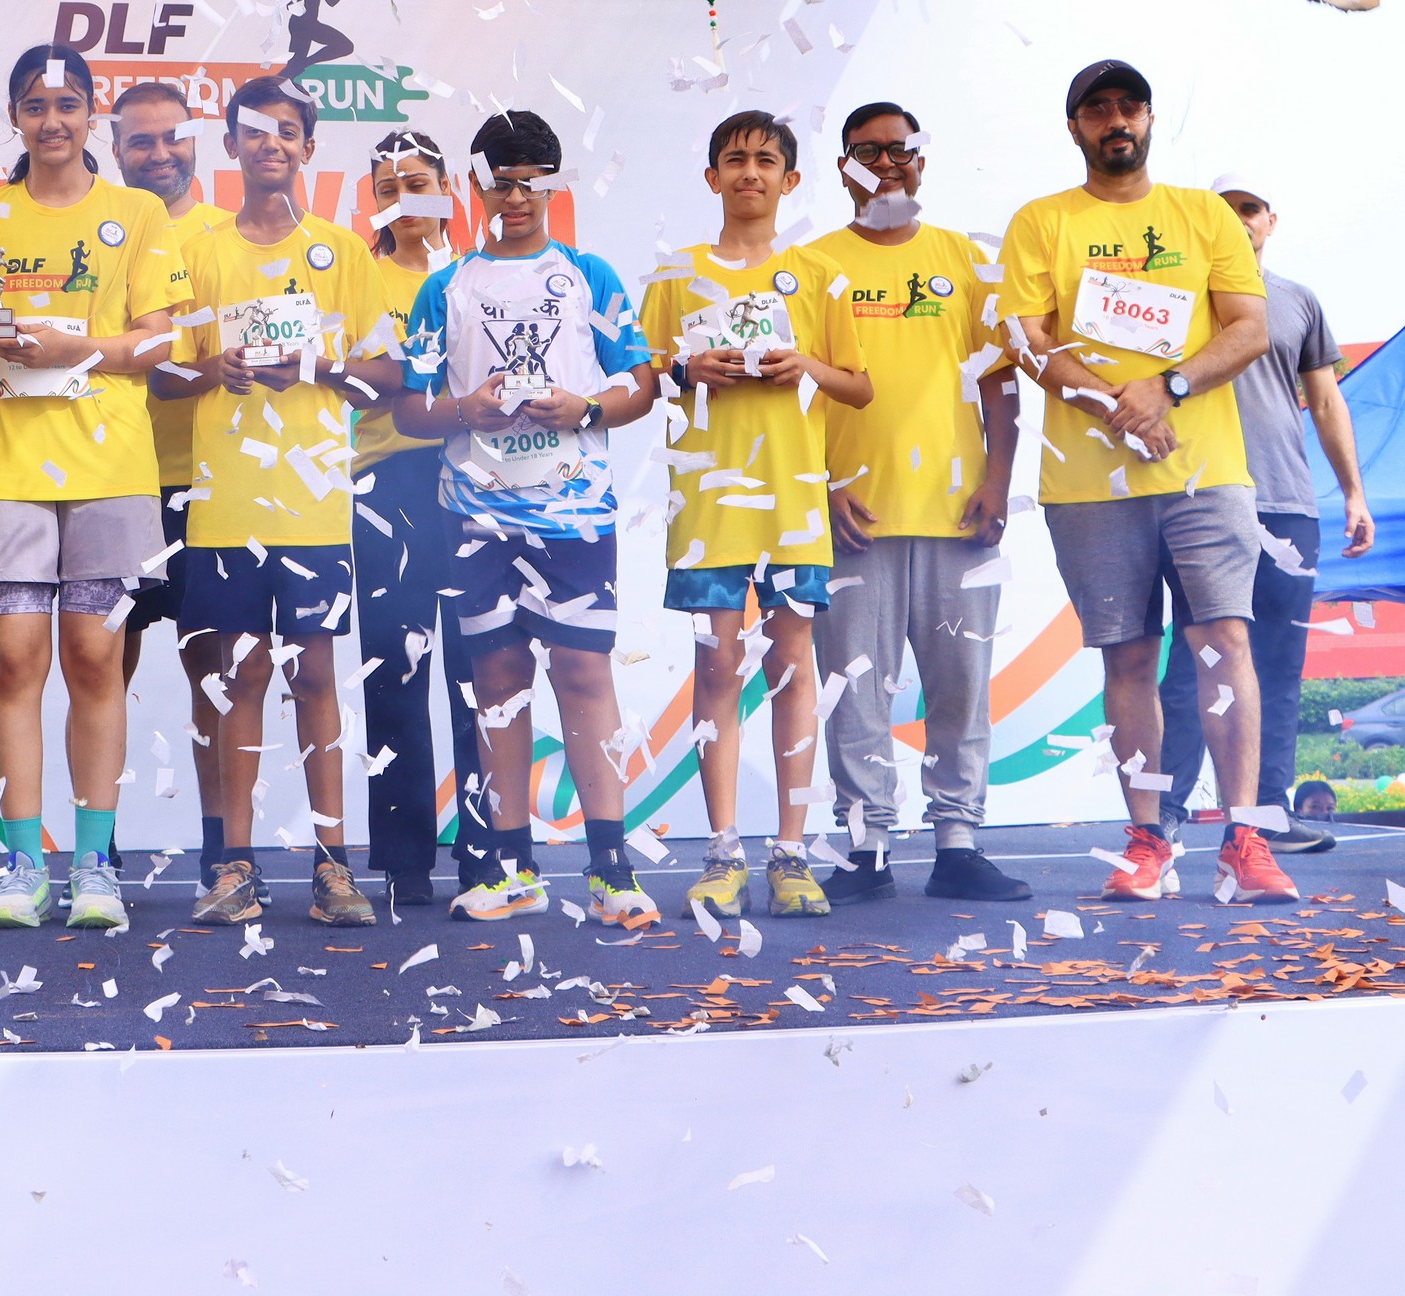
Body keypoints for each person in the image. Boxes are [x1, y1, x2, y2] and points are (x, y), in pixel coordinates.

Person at [1000, 59, 1302, 905]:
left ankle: (1244, 838)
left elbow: (1248, 328)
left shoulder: (1203, 214)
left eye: (1130, 105)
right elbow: (1026, 339)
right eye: (1098, 109)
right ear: (1075, 128)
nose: (1116, 120)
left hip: (1206, 472)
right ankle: (1147, 842)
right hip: (1091, 482)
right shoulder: (1042, 221)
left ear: (1150, 118)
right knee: (1129, 657)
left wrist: (1165, 388)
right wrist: (1117, 407)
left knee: (1225, 643)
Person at [0, 43, 189, 932]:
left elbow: (160, 342)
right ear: (14, 117)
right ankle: (21, 866)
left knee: (94, 658)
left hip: (111, 472)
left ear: (92, 116)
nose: (52, 120)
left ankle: (93, 866)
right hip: (8, 470)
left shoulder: (137, 212)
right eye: (35, 105)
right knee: (15, 661)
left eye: (68, 104)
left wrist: (72, 348)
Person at [394, 110, 663, 926]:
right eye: (499, 184)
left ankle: (611, 869)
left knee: (583, 674)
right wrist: (464, 409)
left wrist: (586, 407)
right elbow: (409, 409)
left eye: (528, 185)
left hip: (573, 512)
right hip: (477, 516)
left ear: (552, 186)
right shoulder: (445, 288)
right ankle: (512, 868)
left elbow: (641, 384)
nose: (513, 199)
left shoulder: (589, 277)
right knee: (499, 684)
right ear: (474, 188)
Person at [157, 75, 396, 926]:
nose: (271, 143)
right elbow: (163, 370)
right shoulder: (198, 251)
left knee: (316, 672)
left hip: (313, 504)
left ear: (308, 147)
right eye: (255, 131)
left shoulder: (343, 251)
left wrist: (317, 367)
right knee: (241, 675)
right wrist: (210, 369)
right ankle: (235, 866)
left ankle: (334, 868)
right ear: (230, 146)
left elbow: (386, 375)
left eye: (287, 130)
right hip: (224, 502)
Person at [638, 110, 872, 919]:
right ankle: (722, 852)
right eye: (734, 160)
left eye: (766, 161)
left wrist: (804, 364)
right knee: (717, 669)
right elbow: (642, 377)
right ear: (711, 177)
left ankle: (792, 852)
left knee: (792, 668)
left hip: (793, 503)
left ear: (790, 179)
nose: (750, 173)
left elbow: (858, 385)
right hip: (707, 502)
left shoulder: (819, 273)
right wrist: (684, 368)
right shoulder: (677, 273)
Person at [807, 102, 1031, 905]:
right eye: (867, 152)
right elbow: (790, 395)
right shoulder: (810, 265)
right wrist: (822, 486)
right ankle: (866, 846)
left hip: (958, 511)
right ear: (843, 167)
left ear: (921, 161)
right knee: (855, 689)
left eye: (899, 150)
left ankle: (957, 843)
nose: (886, 164)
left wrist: (998, 479)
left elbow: (1000, 382)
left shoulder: (965, 260)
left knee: (961, 683)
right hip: (853, 516)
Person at [1154, 172, 1377, 856]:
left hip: (1287, 503)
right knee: (1193, 664)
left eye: (1251, 209)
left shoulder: (1298, 299)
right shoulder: (1173, 293)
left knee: (1278, 667)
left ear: (1271, 221)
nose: (1240, 219)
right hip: (1200, 497)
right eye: (1226, 209)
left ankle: (1267, 817)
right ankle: (1161, 816)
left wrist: (1353, 491)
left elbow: (1326, 401)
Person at [354, 129, 484, 905]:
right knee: (395, 671)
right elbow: (345, 376)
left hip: (476, 480)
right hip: (385, 482)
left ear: (447, 191)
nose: (403, 198)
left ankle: (488, 850)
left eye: (418, 183)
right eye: (388, 187)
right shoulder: (358, 277)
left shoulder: (481, 278)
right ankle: (405, 861)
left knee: (481, 672)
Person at [110, 78, 232, 886]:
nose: (160, 154)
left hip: (209, 487)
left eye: (172, 137)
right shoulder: (101, 230)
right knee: (101, 673)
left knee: (213, 674)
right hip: (114, 481)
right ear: (115, 148)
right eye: (141, 141)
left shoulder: (230, 235)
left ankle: (225, 849)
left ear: (197, 141)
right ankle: (99, 846)